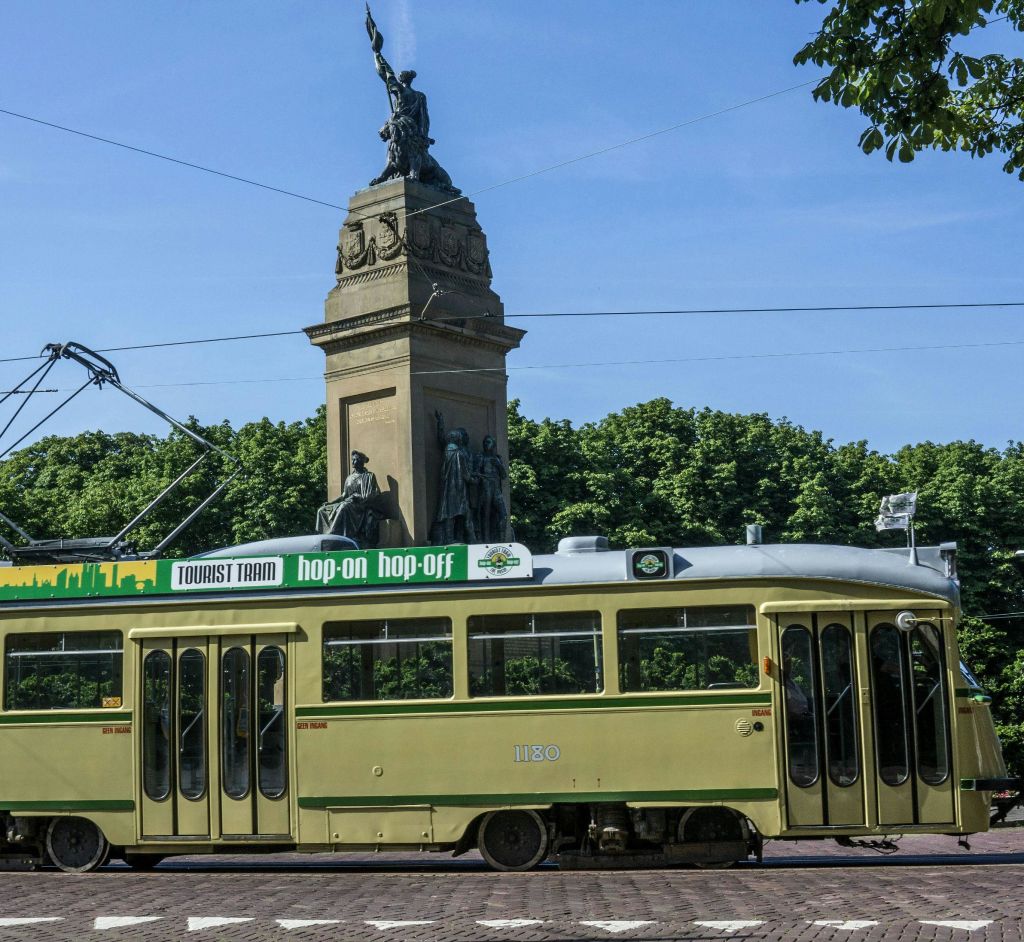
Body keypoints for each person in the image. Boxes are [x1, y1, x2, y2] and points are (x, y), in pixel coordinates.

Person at [316, 451, 383, 547]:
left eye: (355, 460)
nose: (353, 462)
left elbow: (372, 493)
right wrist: (331, 502)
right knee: (322, 510)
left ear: (361, 462)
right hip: (349, 502)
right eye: (352, 460)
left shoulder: (369, 476)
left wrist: (358, 497)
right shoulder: (349, 478)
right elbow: (344, 495)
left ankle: (333, 534)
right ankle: (323, 535)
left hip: (360, 504)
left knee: (344, 507)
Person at [434, 412, 476, 544]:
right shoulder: (459, 454)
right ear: (459, 440)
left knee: (449, 514)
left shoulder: (446, 450)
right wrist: (475, 480)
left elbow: (441, 438)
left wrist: (440, 422)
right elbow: (466, 475)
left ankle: (450, 538)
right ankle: (471, 539)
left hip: (447, 488)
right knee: (465, 514)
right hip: (459, 490)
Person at [474, 435, 507, 543]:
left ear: (494, 445)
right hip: (486, 487)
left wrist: (499, 465)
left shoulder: (497, 458)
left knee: (503, 515)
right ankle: (486, 541)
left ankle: (502, 540)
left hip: (496, 489)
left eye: (488, 442)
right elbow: (475, 472)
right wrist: (481, 477)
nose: (485, 444)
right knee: (485, 515)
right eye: (484, 442)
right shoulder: (480, 457)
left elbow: (504, 476)